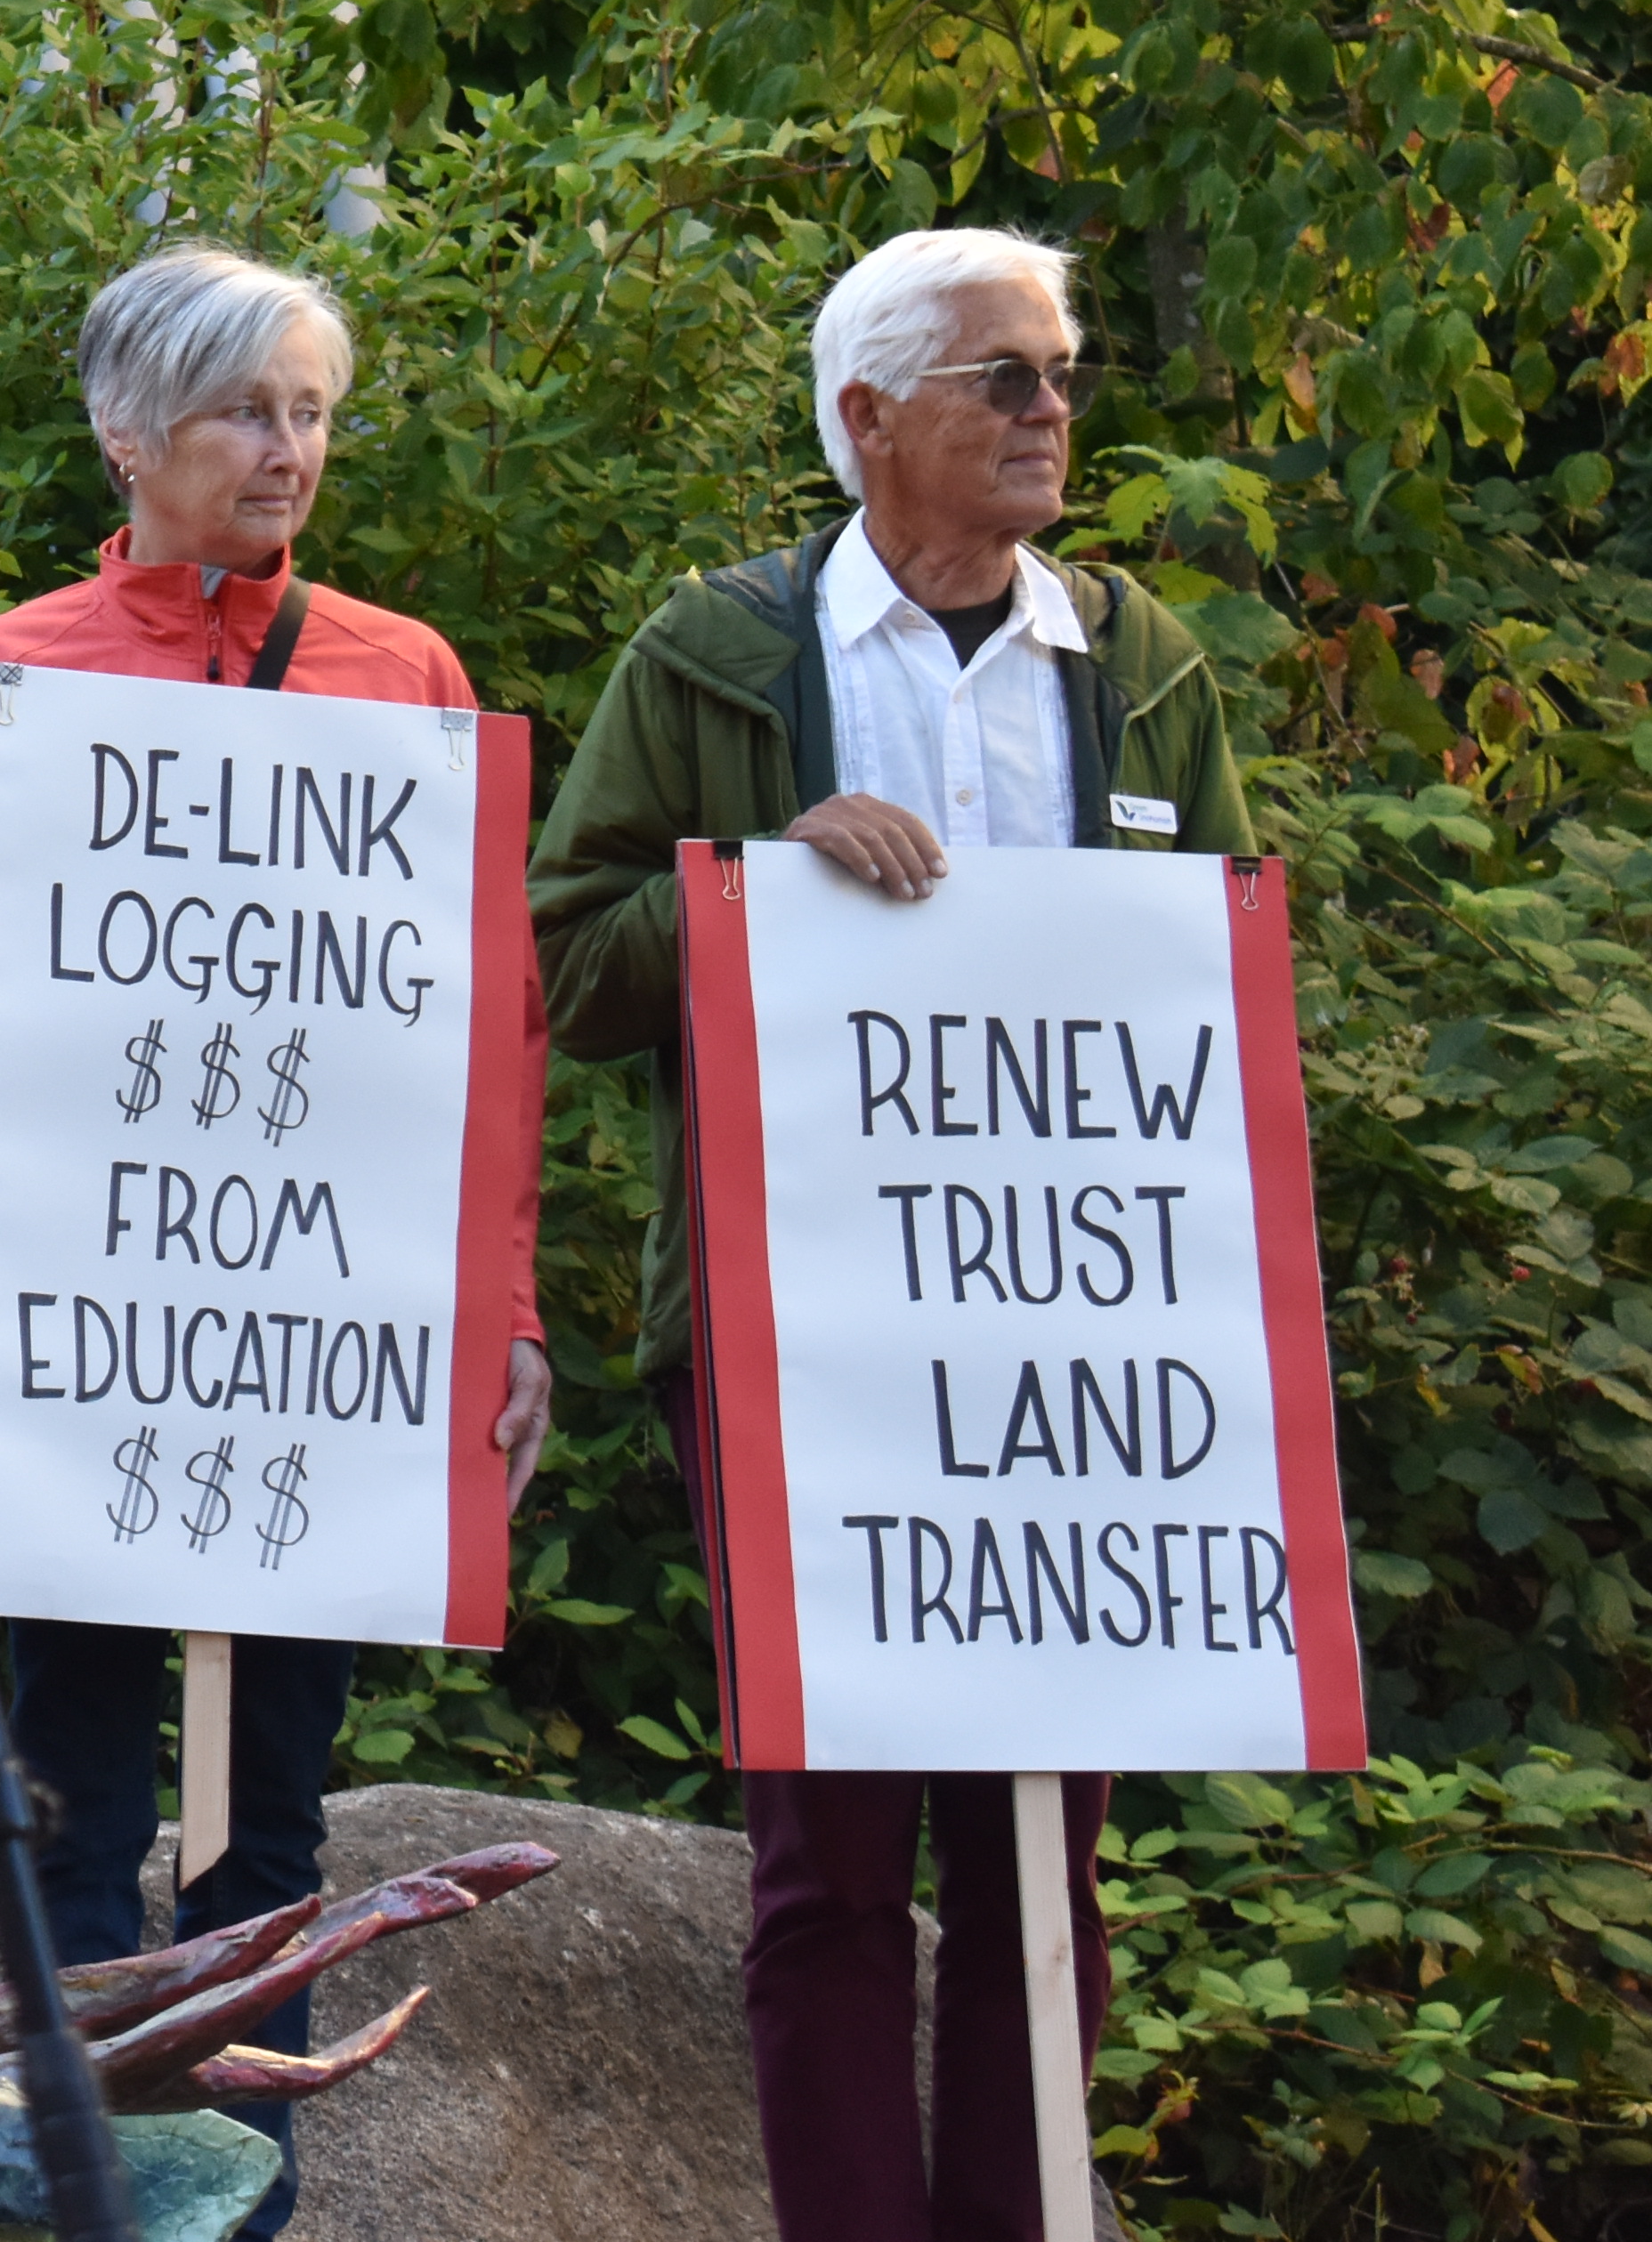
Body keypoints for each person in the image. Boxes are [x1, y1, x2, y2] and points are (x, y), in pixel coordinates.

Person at [528, 224, 1252, 2242]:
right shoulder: (717, 657)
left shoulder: (1144, 663)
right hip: (802, 1346)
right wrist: (760, 882)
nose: (1051, 410)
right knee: (830, 1865)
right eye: (1001, 376)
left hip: (1081, 1362)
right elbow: (567, 961)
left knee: (1041, 1863)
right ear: (866, 421)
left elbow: (1228, 983)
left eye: (1059, 371)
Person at [0, 242, 549, 2242]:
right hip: (77, 1332)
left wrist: (503, 1309)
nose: (289, 446)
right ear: (130, 431)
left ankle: (237, 2208)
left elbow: (484, 1030)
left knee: (267, 1826)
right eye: (250, 407)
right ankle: (72, 2207)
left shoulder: (404, 673)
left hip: (308, 1335)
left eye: (313, 407)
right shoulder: (15, 664)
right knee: (63, 1798)